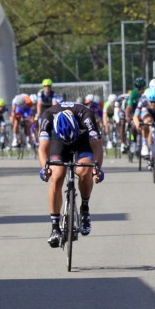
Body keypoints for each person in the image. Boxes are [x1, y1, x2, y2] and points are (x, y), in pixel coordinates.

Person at [37, 102, 104, 246]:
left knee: (84, 170)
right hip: (58, 140)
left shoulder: (86, 116)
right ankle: (55, 227)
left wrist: (97, 168)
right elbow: (42, 149)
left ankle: (84, 209)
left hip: (82, 140)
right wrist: (45, 169)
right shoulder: (47, 116)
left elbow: (97, 145)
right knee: (57, 175)